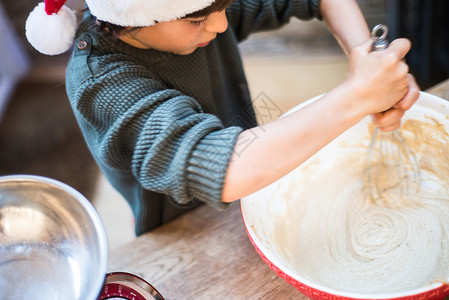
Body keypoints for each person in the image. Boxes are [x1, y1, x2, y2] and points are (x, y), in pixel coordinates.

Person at [25, 0, 419, 235]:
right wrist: (355, 97)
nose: (221, 24)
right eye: (197, 20)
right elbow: (222, 166)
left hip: (256, 169)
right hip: (181, 220)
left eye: (225, 5)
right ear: (130, 18)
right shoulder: (103, 82)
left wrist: (362, 54)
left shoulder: (201, 9)